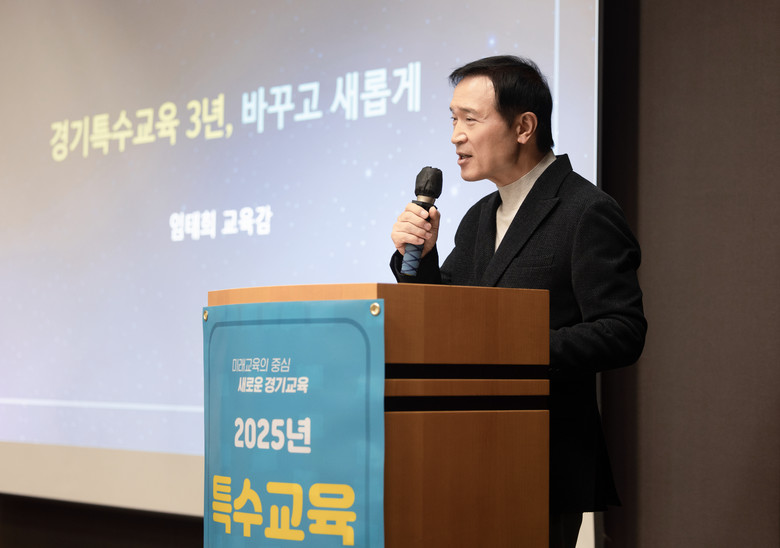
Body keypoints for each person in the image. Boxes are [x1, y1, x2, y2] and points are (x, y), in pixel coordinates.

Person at [390, 55, 647, 548]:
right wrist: (417, 258)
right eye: (453, 119)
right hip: (465, 455)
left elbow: (622, 331)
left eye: (470, 119)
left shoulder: (586, 210)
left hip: (540, 460)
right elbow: (448, 321)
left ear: (524, 126)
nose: (455, 136)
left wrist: (513, 351)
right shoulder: (478, 217)